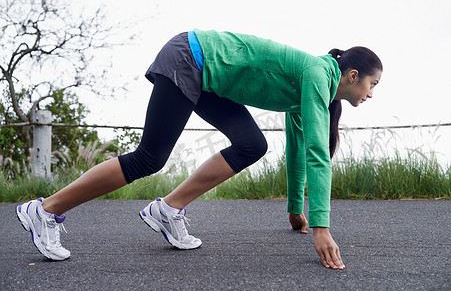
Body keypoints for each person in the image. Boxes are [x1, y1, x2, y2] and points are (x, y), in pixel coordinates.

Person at [16, 29, 382, 269]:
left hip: (211, 79)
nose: (370, 93)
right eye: (372, 84)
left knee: (252, 144)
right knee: (149, 157)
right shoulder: (318, 76)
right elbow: (319, 155)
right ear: (353, 76)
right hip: (190, 58)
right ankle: (45, 210)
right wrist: (321, 227)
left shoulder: (315, 87)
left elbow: (302, 148)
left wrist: (294, 211)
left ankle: (167, 209)